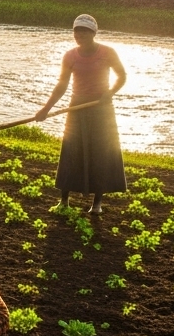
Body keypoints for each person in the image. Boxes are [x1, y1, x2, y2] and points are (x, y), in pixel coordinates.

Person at [35, 13, 128, 214]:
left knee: (100, 152)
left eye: (84, 31)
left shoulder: (108, 52)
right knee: (71, 150)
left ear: (93, 33)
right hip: (76, 107)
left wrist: (110, 93)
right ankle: (64, 201)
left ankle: (97, 204)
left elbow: (122, 76)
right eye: (77, 31)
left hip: (101, 108)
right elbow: (62, 84)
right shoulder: (69, 56)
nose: (79, 35)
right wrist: (46, 108)